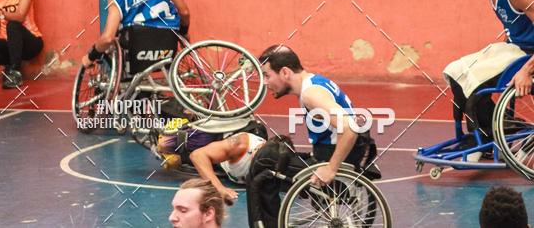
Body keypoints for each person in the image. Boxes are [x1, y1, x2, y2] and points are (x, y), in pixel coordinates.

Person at [246, 45, 379, 228]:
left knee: (264, 159)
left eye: (267, 75)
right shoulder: (315, 82)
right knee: (274, 153)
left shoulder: (311, 94)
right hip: (341, 155)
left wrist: (331, 169)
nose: (265, 83)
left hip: (335, 165)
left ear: (285, 72)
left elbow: (350, 127)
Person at [444, 0, 534, 148]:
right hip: (514, 50)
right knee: (456, 72)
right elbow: (515, 25)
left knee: (475, 88)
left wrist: (527, 71)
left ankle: (488, 138)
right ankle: (493, 130)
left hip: (527, 56)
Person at [156, 120, 267, 205]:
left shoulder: (273, 166)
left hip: (223, 163)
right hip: (216, 139)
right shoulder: (239, 145)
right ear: (257, 149)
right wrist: (218, 187)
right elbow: (197, 156)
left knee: (173, 159)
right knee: (164, 145)